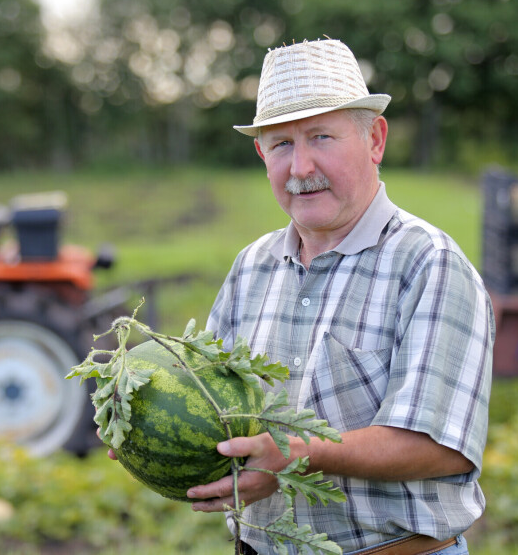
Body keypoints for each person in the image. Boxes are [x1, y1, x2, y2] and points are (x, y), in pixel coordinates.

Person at [185, 39, 494, 555]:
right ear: (262, 154)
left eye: (321, 136)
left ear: (375, 139)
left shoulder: (428, 263)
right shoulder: (251, 268)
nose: (301, 167)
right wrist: (146, 426)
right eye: (281, 144)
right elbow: (210, 405)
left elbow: (441, 447)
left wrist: (292, 453)